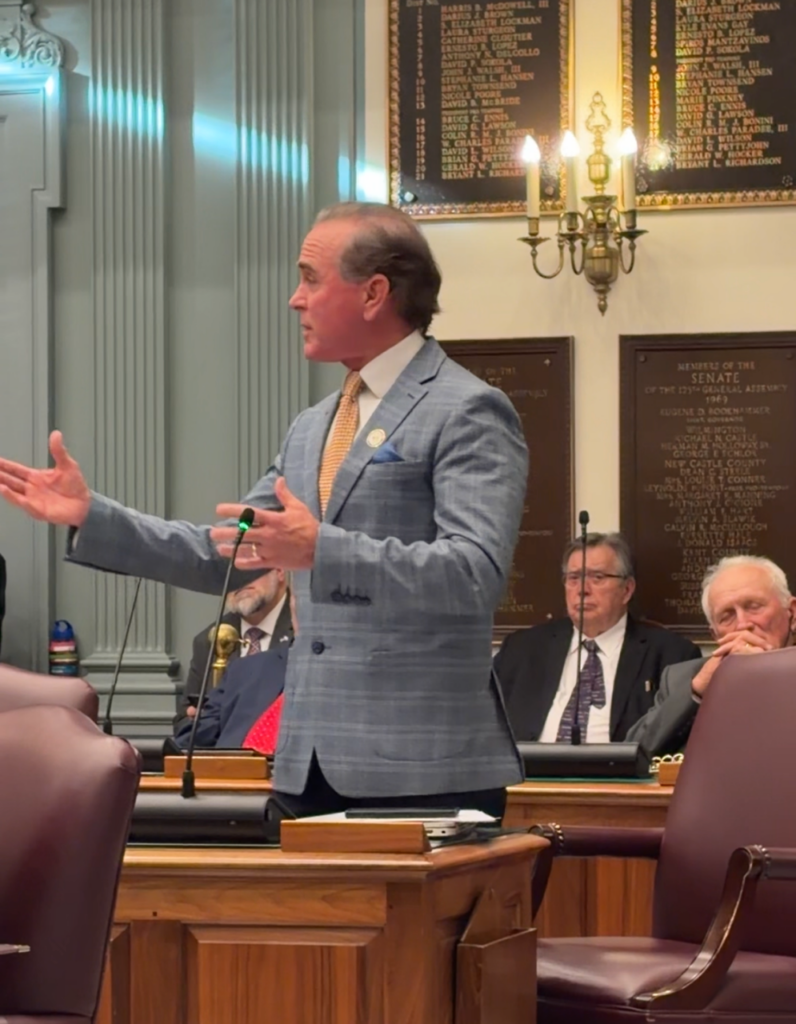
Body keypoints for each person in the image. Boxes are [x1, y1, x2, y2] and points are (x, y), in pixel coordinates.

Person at [0, 201, 528, 818]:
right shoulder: (312, 428)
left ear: (374, 293)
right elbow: (220, 554)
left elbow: (474, 573)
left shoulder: (468, 409)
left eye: (310, 277)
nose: (294, 299)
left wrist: (321, 549)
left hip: (425, 768)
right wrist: (91, 516)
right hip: (306, 762)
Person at [494, 533, 700, 743]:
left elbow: (676, 738)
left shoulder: (671, 655)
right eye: (573, 578)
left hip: (622, 774)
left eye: (597, 578)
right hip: (530, 774)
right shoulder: (521, 650)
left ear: (627, 590)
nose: (582, 590)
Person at [626, 555, 796, 756]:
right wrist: (697, 691)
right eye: (727, 616)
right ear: (716, 635)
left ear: (792, 613)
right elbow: (634, 753)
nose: (742, 624)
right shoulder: (682, 679)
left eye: (754, 606)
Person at [174, 569, 292, 733]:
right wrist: (198, 722)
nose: (240, 581)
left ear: (279, 571)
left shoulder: (307, 632)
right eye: (230, 572)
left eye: (249, 568)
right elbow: (182, 722)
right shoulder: (210, 640)